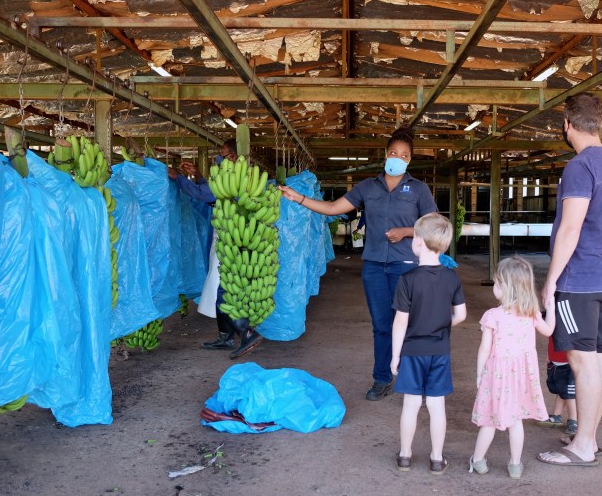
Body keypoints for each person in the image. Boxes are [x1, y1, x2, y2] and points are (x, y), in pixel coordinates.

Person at [278, 126, 438, 401]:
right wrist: (299, 198)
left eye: (404, 155)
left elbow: (434, 225)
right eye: (394, 152)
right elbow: (332, 208)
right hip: (374, 267)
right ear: (386, 154)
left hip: (406, 266)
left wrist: (406, 231)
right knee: (381, 326)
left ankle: (416, 377)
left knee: (410, 324)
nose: (398, 158)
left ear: (410, 159)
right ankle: (382, 378)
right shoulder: (368, 187)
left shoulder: (419, 189)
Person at [537, 93, 602, 467]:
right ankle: (587, 437)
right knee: (597, 360)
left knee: (581, 362)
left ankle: (584, 446)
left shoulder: (580, 166)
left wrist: (551, 281)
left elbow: (570, 229)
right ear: (600, 123)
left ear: (567, 124)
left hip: (580, 279)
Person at [169, 139, 262, 359]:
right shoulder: (229, 178)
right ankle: (225, 337)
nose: (219, 160)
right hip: (223, 237)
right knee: (216, 287)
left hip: (234, 242)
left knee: (224, 290)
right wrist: (199, 176)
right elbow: (213, 193)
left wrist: (179, 178)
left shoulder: (241, 178)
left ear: (234, 156)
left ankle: (247, 332)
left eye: (223, 155)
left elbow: (205, 195)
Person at [389, 213, 467, 475]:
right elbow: (461, 315)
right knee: (436, 406)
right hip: (439, 351)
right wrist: (442, 324)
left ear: (419, 241)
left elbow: (401, 322)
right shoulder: (451, 278)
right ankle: (436, 458)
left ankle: (405, 456)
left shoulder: (407, 279)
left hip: (412, 351)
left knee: (411, 405)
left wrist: (395, 356)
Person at [469, 257, 555, 479]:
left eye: (497, 283)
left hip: (496, 376)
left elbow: (484, 349)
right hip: (521, 377)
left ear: (506, 287)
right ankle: (515, 465)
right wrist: (551, 307)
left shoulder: (492, 316)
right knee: (516, 421)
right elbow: (548, 331)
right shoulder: (531, 313)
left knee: (489, 420)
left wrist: (479, 374)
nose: (494, 286)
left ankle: (478, 461)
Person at [537, 336, 577, 436]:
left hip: (569, 362)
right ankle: (556, 415)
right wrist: (549, 354)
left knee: (568, 393)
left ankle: (573, 420)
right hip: (555, 360)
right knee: (561, 389)